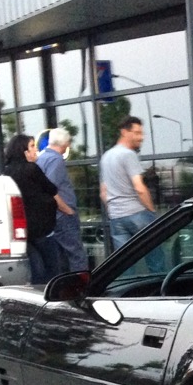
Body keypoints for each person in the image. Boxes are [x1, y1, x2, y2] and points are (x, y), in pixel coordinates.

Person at [3, 133, 71, 284]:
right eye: (32, 146)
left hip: (24, 230)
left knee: (36, 268)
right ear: (24, 151)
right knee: (53, 268)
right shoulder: (32, 169)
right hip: (41, 228)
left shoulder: (7, 172)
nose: (36, 151)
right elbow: (52, 189)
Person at [36, 127, 88, 276]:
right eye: (68, 142)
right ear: (64, 142)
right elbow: (51, 189)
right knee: (76, 255)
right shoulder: (56, 159)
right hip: (62, 215)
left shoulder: (42, 158)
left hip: (50, 217)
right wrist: (67, 210)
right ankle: (82, 287)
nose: (69, 146)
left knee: (60, 258)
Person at [100, 116, 157, 250]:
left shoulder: (106, 157)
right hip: (137, 214)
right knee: (154, 259)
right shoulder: (128, 154)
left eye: (141, 133)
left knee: (124, 262)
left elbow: (103, 192)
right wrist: (152, 211)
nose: (141, 137)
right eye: (137, 133)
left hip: (116, 217)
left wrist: (113, 211)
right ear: (124, 132)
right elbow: (140, 188)